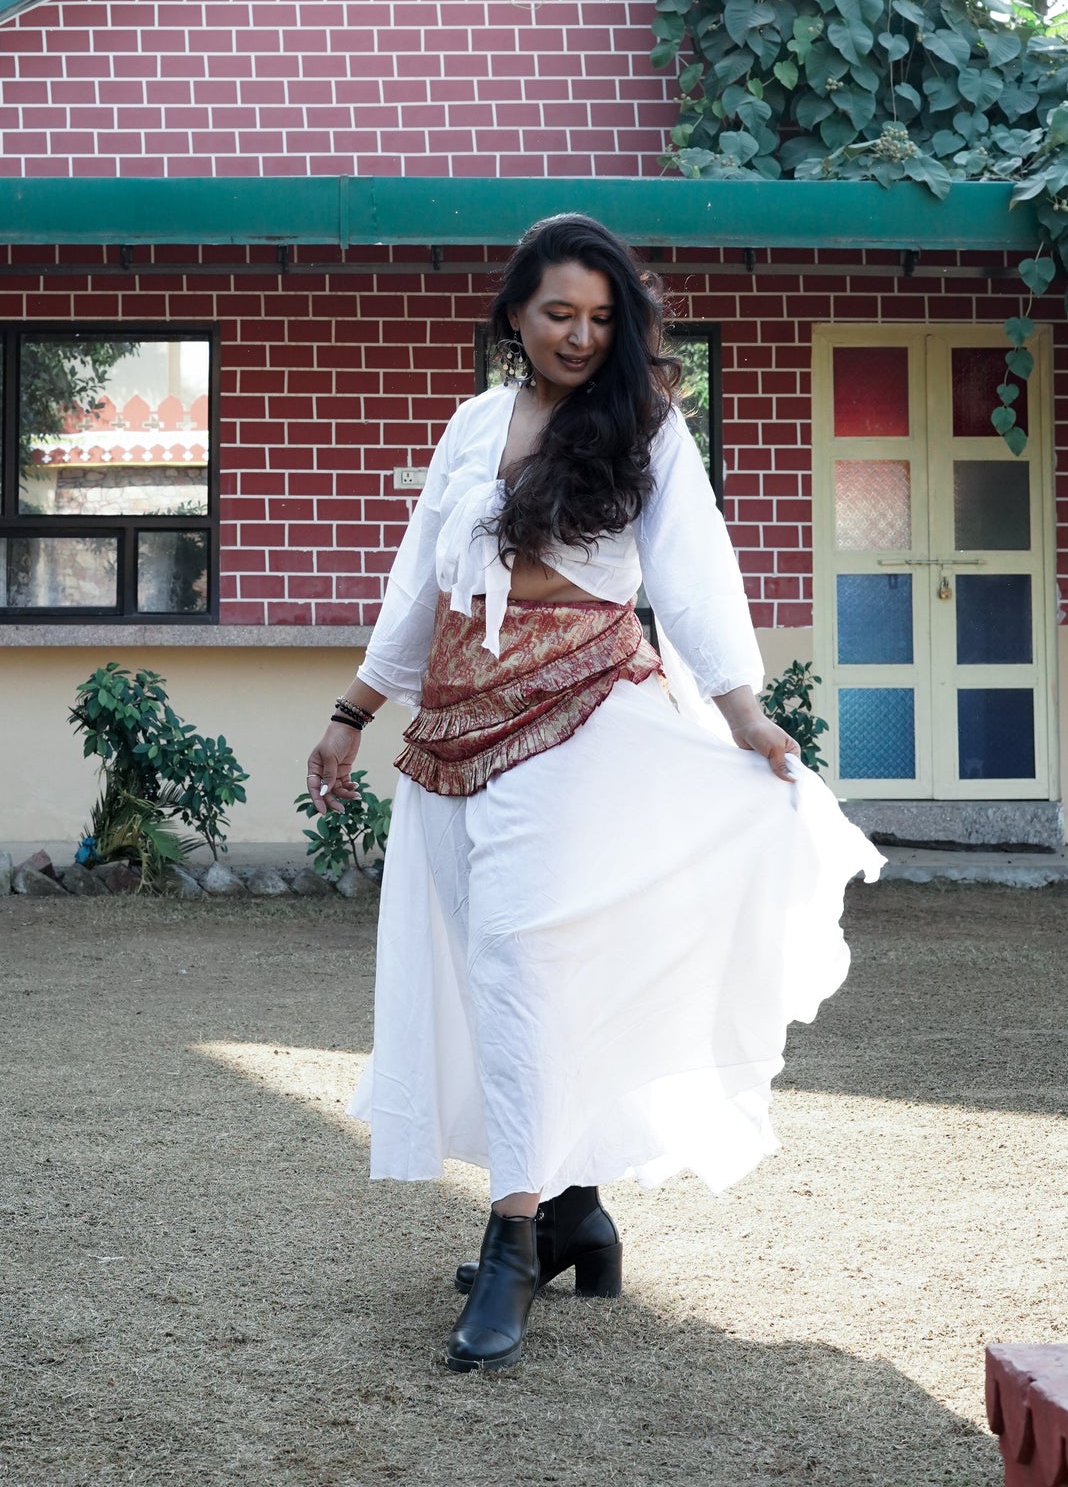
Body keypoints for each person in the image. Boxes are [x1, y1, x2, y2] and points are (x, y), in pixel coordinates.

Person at [305, 212, 882, 1373]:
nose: (578, 335)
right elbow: (419, 576)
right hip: (453, 725)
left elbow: (694, 567)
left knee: (521, 955)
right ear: (514, 314)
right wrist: (352, 713)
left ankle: (514, 1237)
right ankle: (575, 1211)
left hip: (582, 714)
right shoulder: (471, 423)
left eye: (599, 316)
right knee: (490, 967)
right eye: (556, 312)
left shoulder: (646, 426)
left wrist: (741, 711)